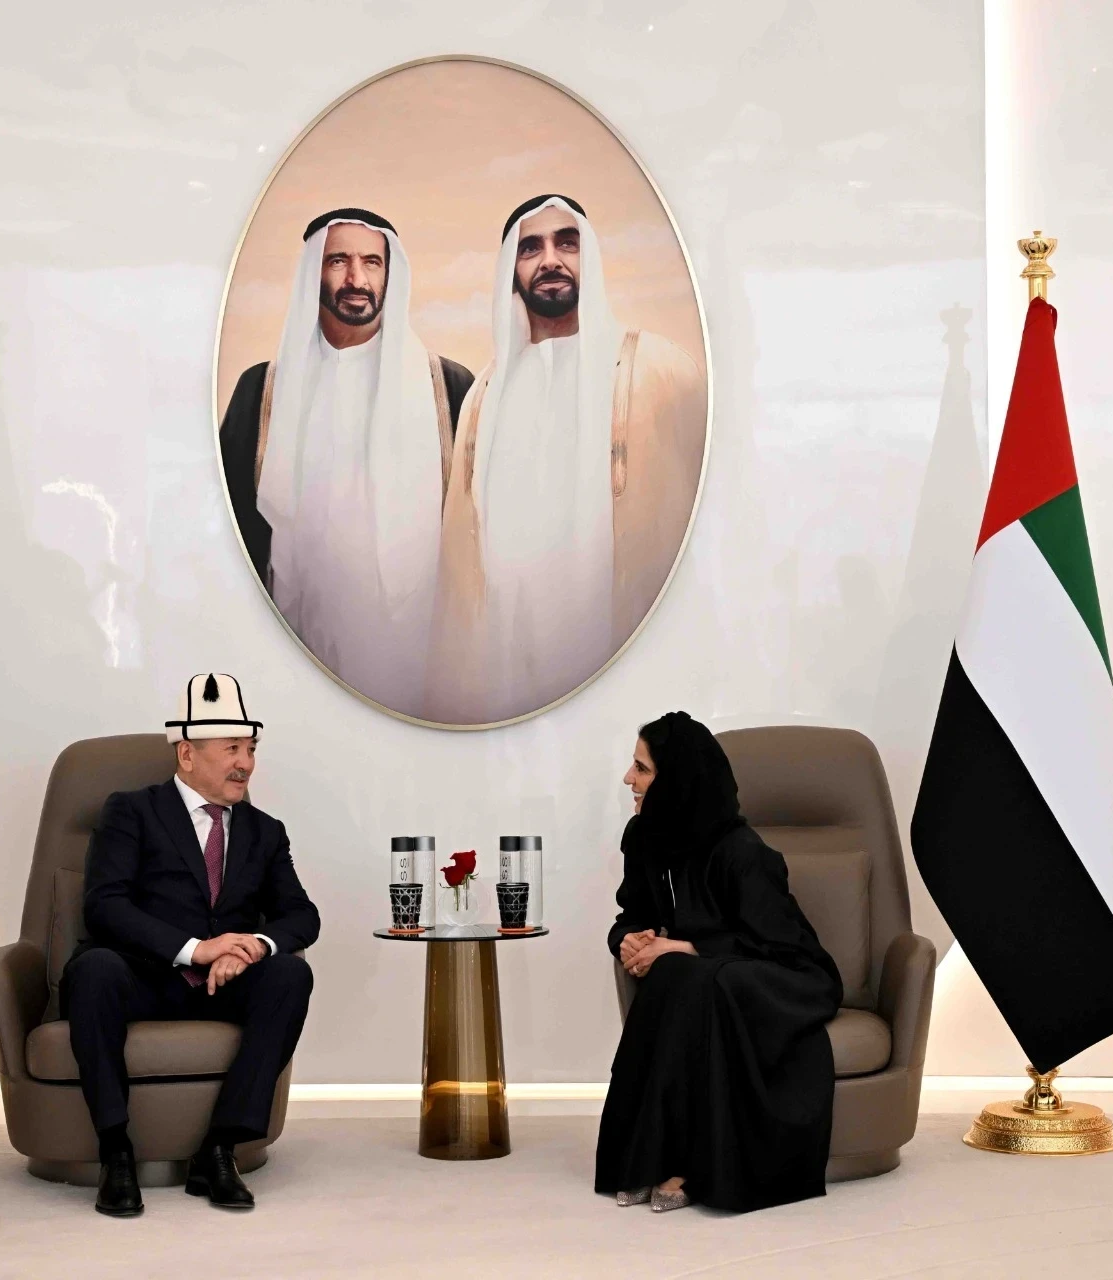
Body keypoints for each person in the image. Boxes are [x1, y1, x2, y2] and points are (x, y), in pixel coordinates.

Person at [431, 194, 706, 724]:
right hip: (506, 665)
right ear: (510, 270)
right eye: (530, 248)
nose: (550, 260)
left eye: (567, 243)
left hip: (624, 659)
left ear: (591, 256)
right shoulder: (486, 392)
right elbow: (460, 550)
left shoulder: (661, 369)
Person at [62, 672, 320, 1218]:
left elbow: (302, 915)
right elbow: (104, 906)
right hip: (144, 975)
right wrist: (196, 949)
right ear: (186, 754)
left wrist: (252, 946)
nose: (246, 763)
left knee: (290, 974)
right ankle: (116, 1152)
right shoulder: (131, 811)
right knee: (94, 970)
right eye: (232, 749)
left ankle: (220, 1150)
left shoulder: (265, 831)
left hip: (223, 987)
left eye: (251, 749)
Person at [218, 209, 475, 716]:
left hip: (419, 663)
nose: (357, 278)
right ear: (313, 271)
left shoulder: (448, 387)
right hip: (292, 652)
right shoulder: (262, 390)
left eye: (372, 262)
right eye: (338, 261)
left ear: (390, 273)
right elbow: (231, 531)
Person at [595, 712, 842, 1213]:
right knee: (679, 974)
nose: (628, 778)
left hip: (786, 979)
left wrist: (687, 947)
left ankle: (693, 1162)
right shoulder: (644, 838)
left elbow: (782, 949)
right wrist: (629, 940)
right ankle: (655, 1152)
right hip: (702, 981)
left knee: (693, 974)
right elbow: (631, 913)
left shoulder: (742, 853)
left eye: (641, 768)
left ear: (676, 780)